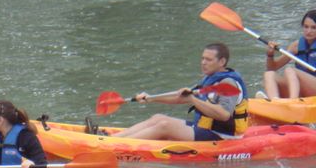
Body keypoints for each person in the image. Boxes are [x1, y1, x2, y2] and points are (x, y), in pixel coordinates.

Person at [106, 43, 248, 141]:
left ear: (222, 62)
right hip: (206, 129)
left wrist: (193, 99)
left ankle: (116, 146)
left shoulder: (228, 83)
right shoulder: (210, 78)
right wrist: (151, 98)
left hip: (223, 136)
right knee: (158, 118)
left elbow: (224, 115)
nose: (203, 62)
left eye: (208, 59)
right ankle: (113, 139)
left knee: (165, 126)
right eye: (202, 58)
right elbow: (182, 98)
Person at [261, 10, 316, 100]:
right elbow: (272, 68)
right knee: (269, 74)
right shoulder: (296, 46)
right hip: (303, 90)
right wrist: (270, 55)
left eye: (313, 28)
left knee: (290, 70)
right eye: (306, 27)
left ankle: (293, 100)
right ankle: (275, 101)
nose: (308, 31)